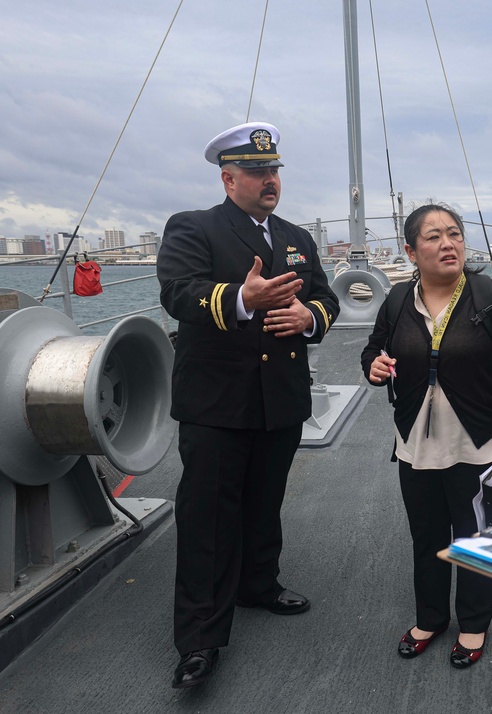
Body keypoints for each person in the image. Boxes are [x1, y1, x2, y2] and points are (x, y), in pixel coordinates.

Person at [157, 121, 339, 689]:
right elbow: (178, 292)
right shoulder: (194, 228)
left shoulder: (295, 237)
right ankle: (200, 638)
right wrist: (241, 298)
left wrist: (311, 317)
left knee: (265, 501)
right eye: (258, 171)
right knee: (208, 516)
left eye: (274, 170)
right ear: (228, 177)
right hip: (217, 404)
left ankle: (259, 584)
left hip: (278, 401)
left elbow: (326, 297)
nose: (270, 180)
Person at [361, 203, 492, 669]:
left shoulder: (489, 296)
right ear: (411, 250)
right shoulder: (398, 299)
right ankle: (431, 618)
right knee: (427, 536)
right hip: (415, 442)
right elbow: (373, 350)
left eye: (455, 234)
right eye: (434, 236)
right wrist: (375, 367)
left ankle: (474, 624)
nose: (448, 244)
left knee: (476, 537)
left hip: (477, 440)